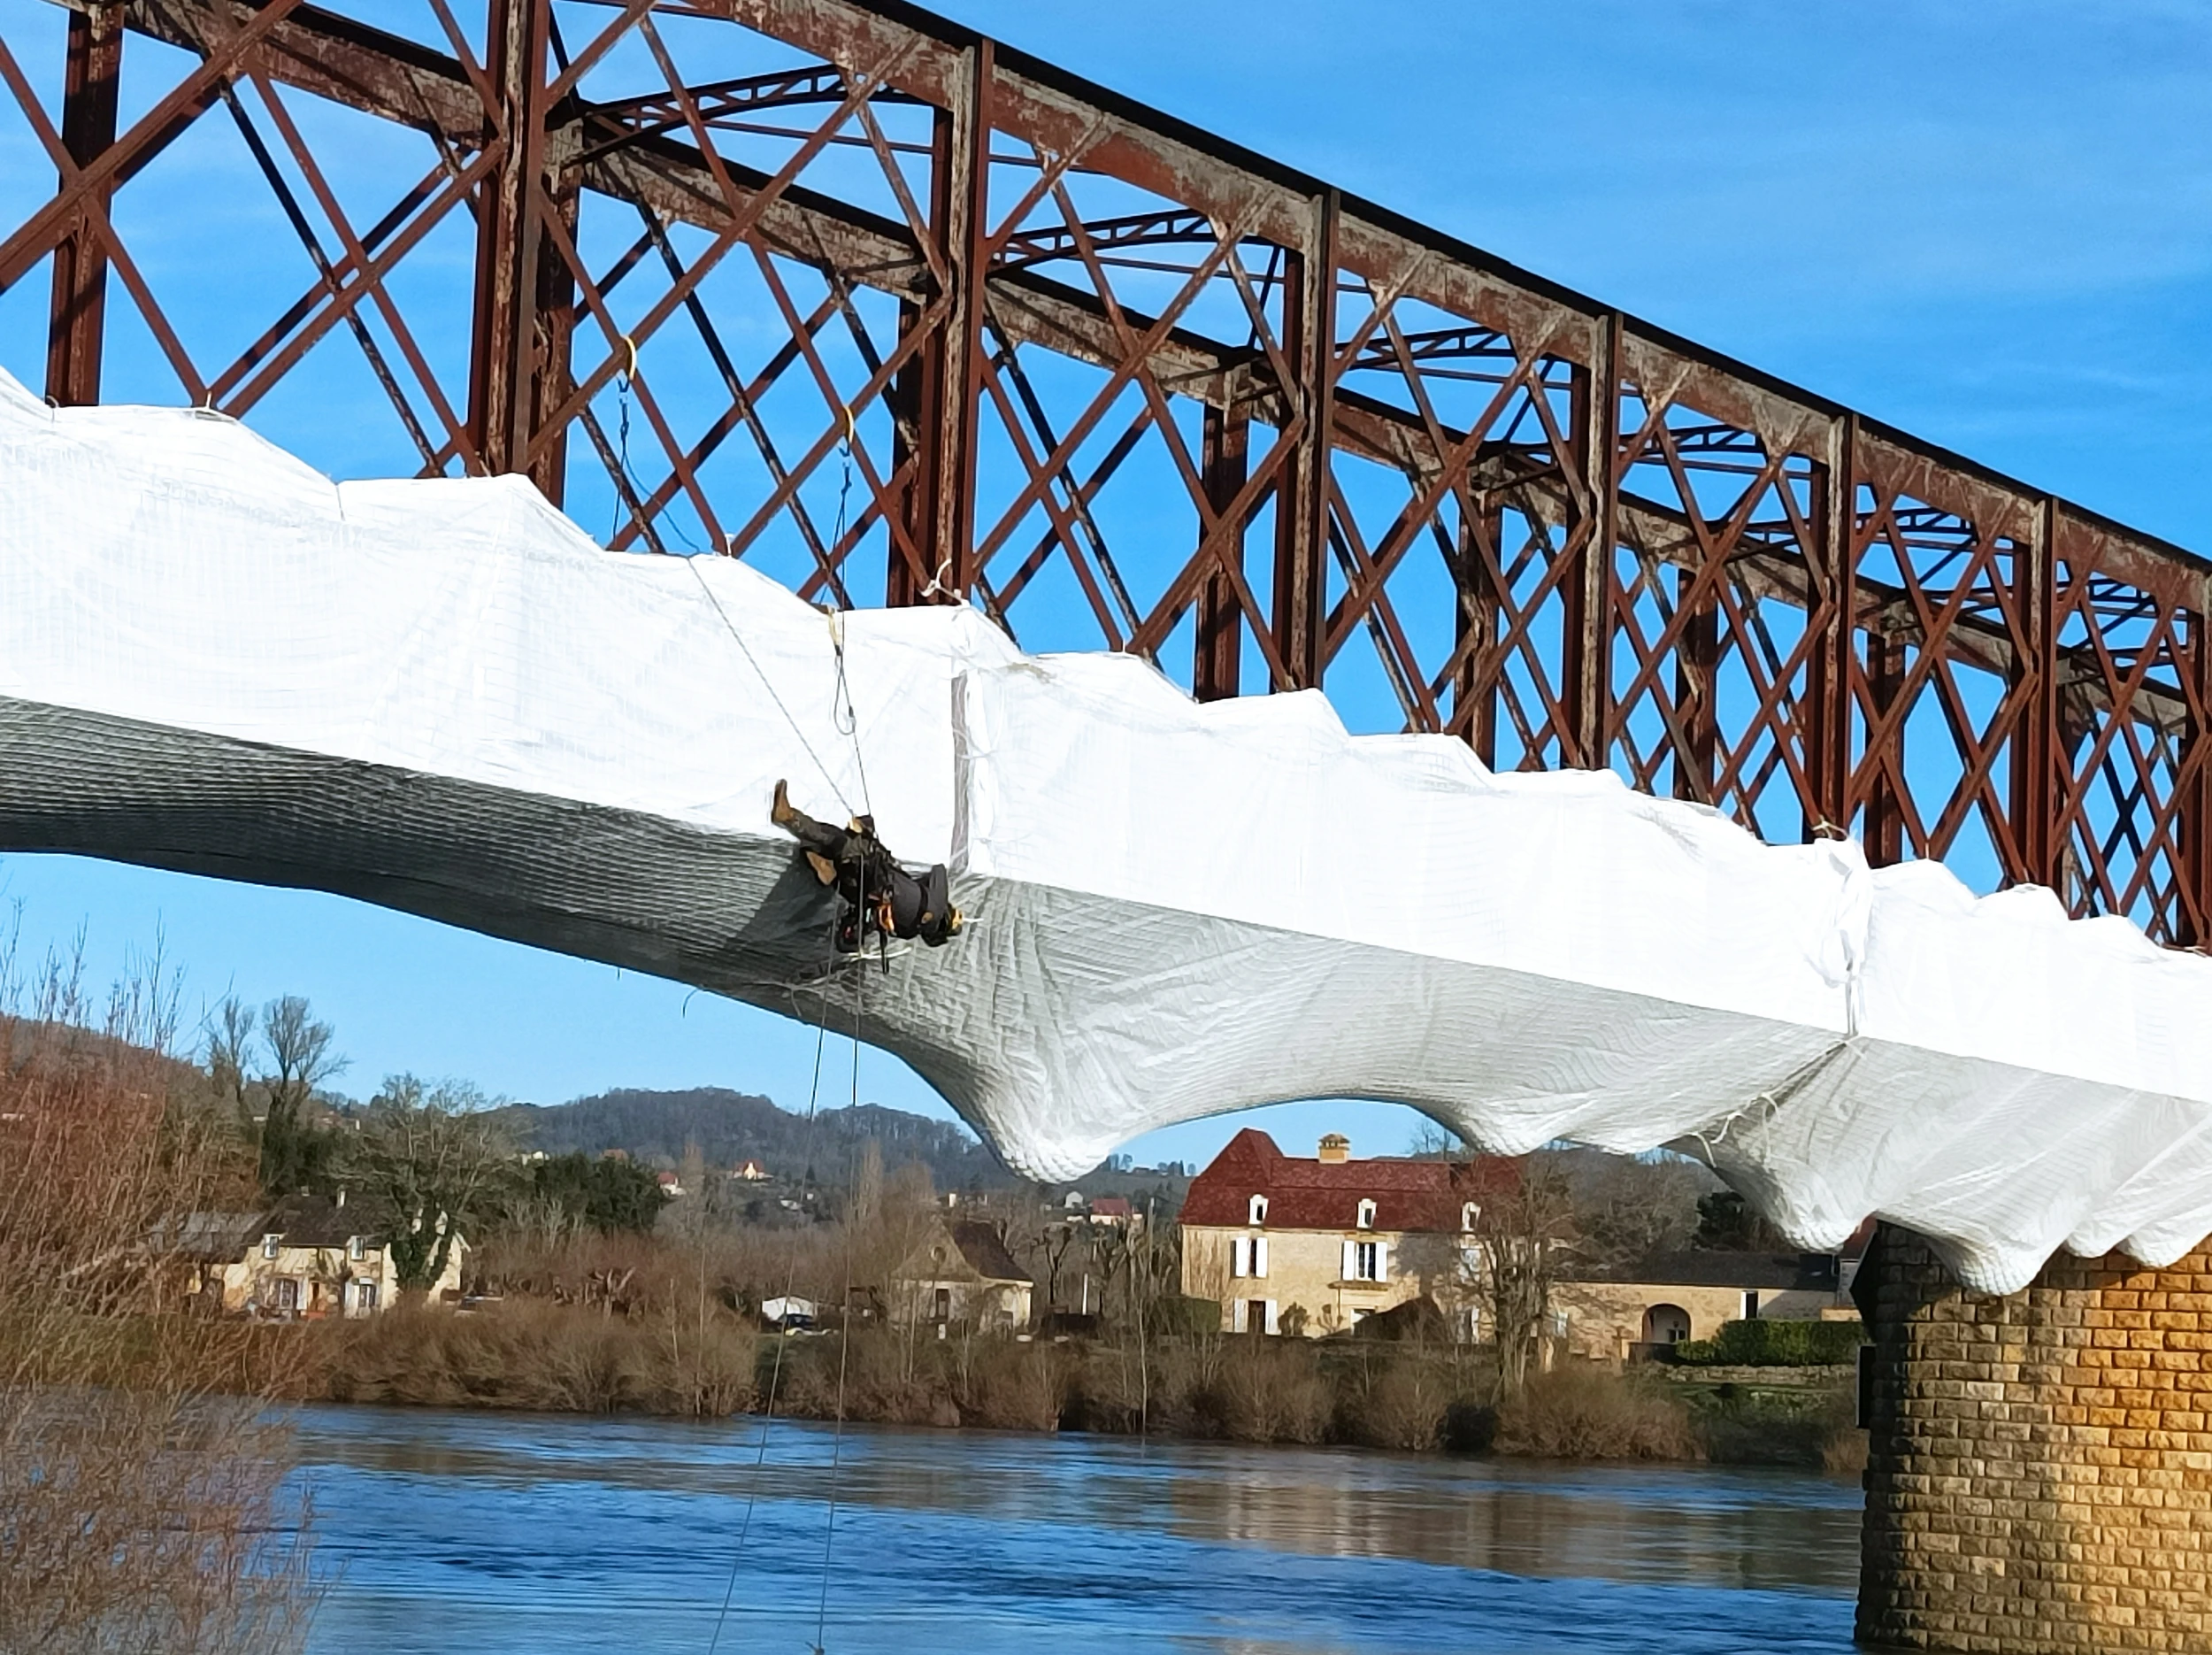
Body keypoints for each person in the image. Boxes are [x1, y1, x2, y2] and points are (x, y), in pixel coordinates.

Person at [770, 780, 963, 952]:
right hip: (858, 892)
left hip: (868, 871)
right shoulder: (909, 932)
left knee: (839, 840)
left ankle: (787, 817)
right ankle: (826, 868)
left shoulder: (936, 904)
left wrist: (937, 897)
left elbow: (939, 870)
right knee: (843, 855)